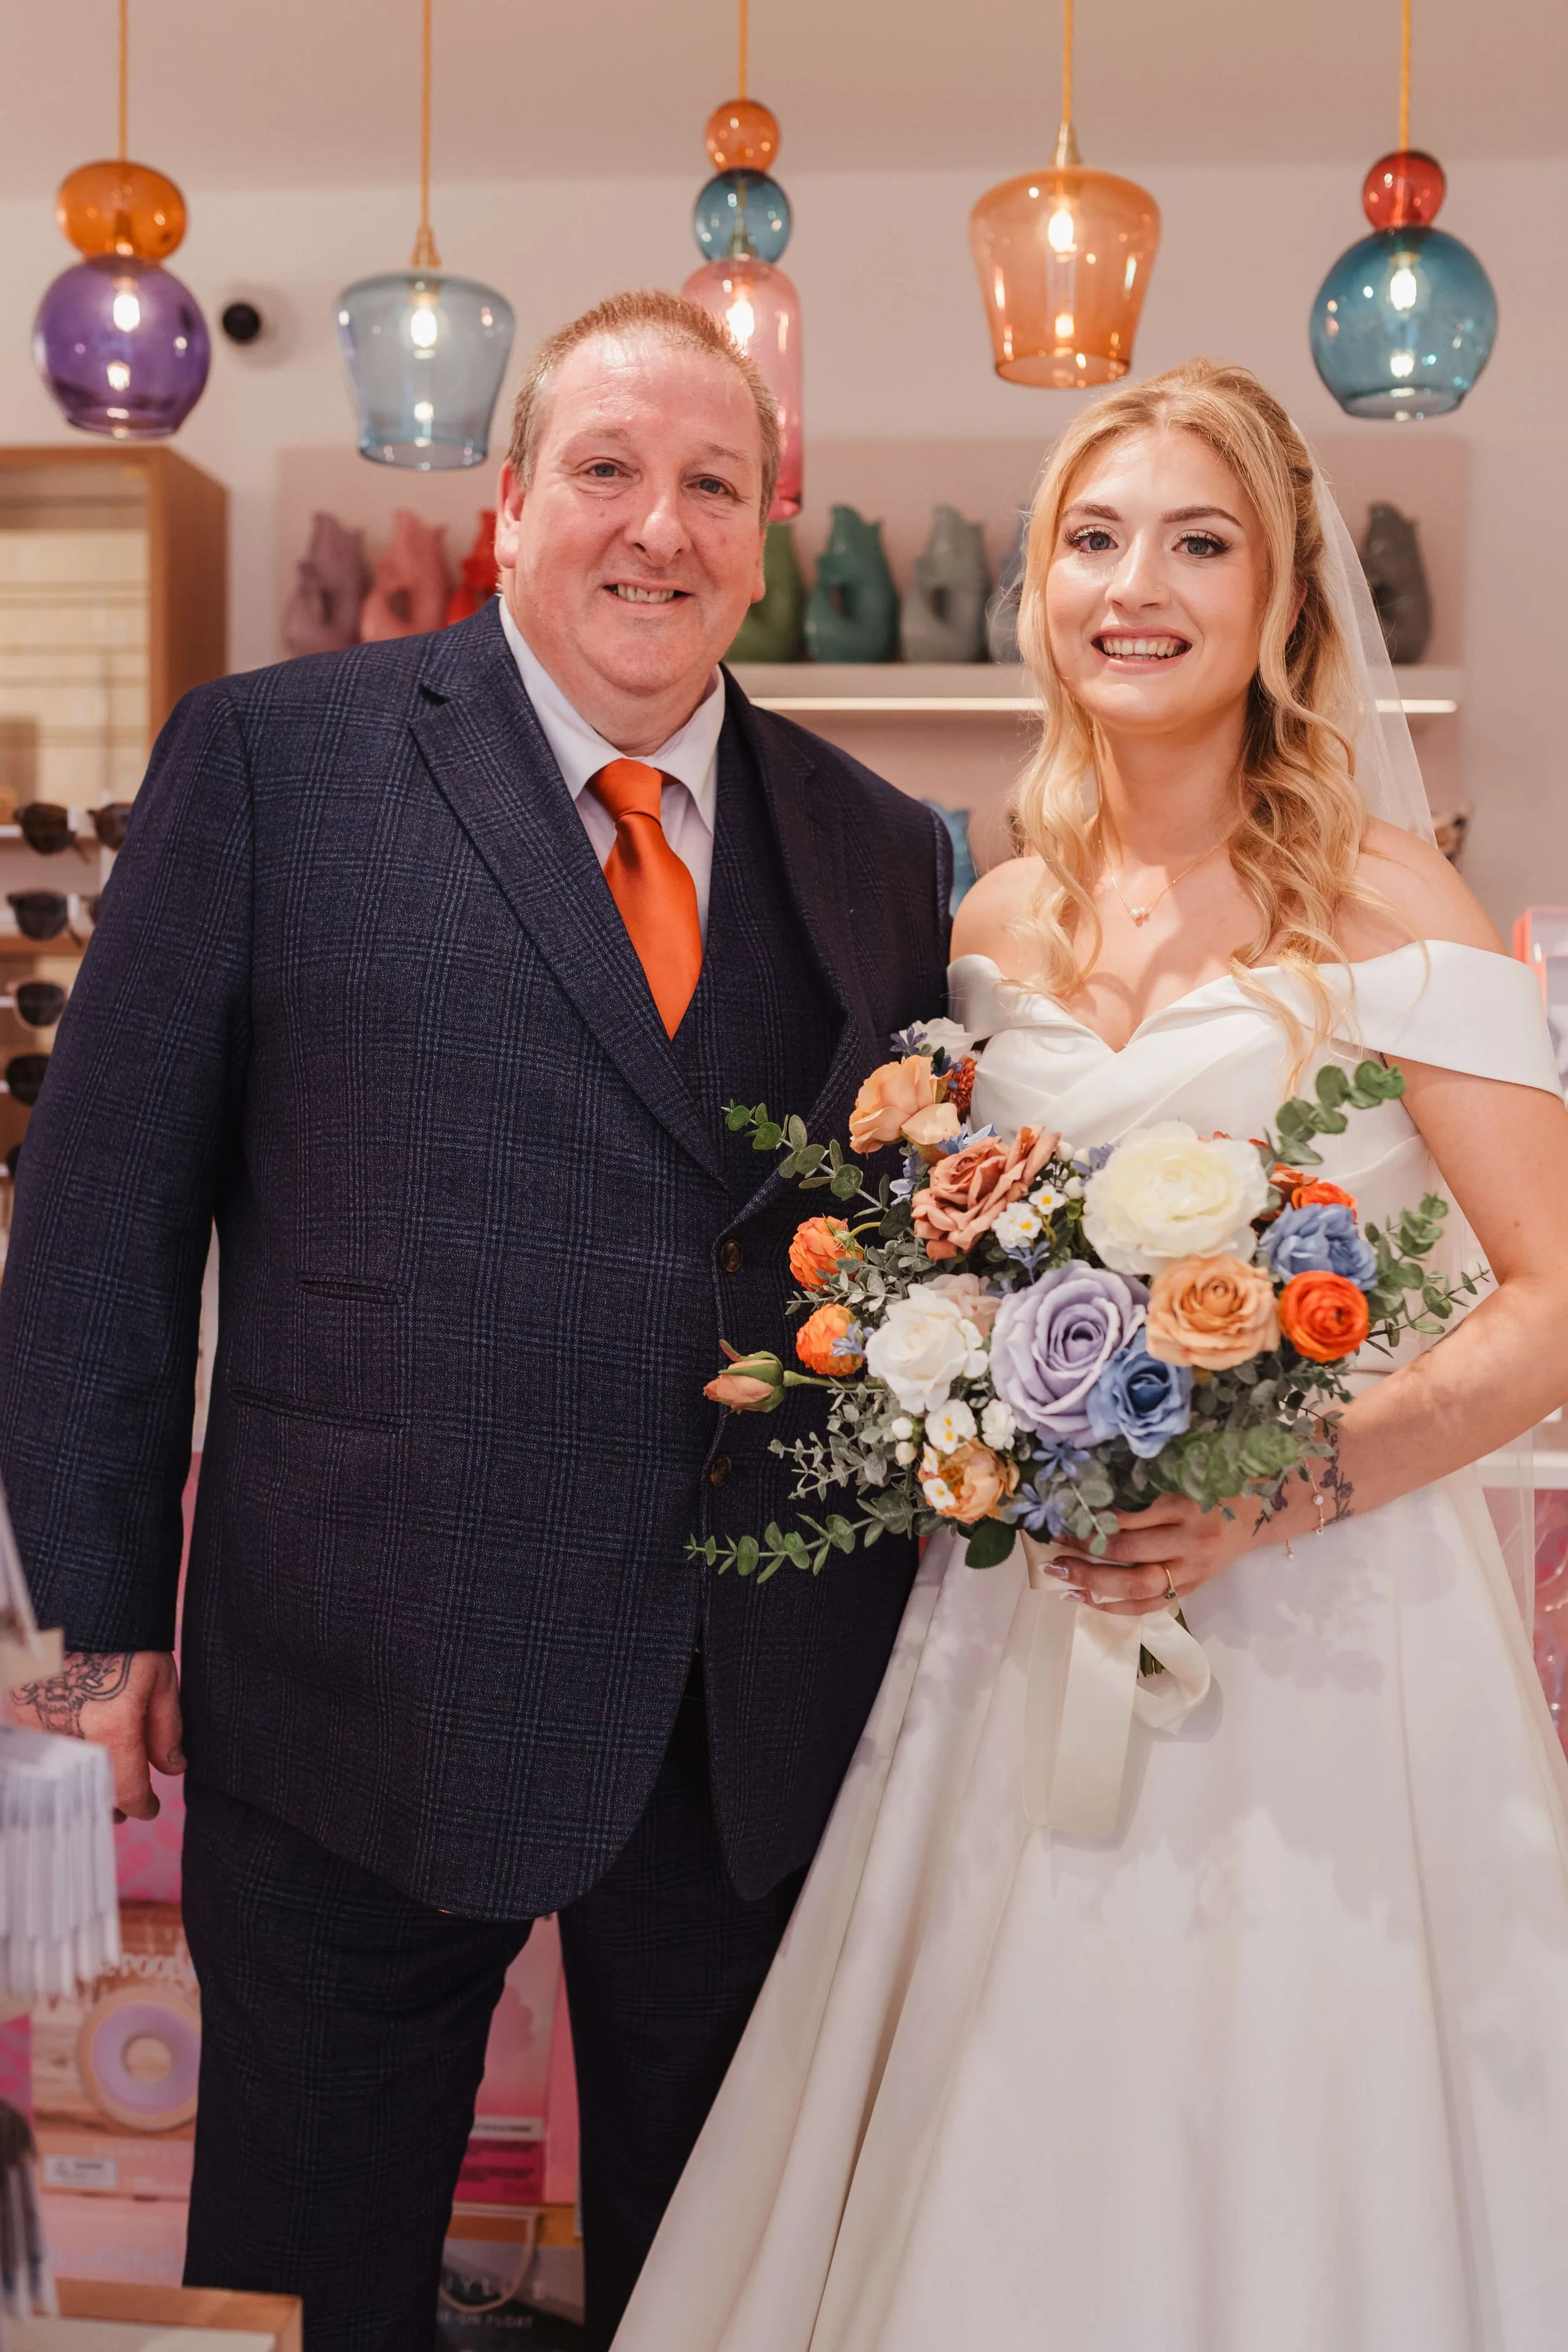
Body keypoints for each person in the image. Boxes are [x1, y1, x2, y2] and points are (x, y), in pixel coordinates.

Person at [0, 289, 951, 2351]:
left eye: (715, 483)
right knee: (303, 2284)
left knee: (720, 2285)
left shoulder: (884, 850)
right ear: (511, 500)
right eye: (607, 468)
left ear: (768, 531)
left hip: (754, 1710)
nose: (658, 526)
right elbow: (100, 1218)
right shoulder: (274, 764)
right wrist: (96, 1627)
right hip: (357, 1691)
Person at [610, 359, 1568, 2352]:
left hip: (1326, 1629)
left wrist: (1271, 1488)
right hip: (1028, 1627)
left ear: (1284, 597)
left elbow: (1550, 1286)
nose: (1137, 583)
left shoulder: (1390, 894)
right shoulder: (995, 907)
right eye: (1094, 536)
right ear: (1041, 585)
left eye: (1200, 542)